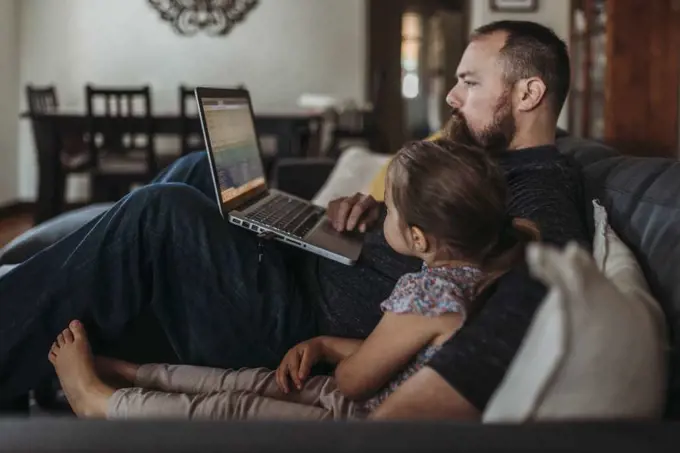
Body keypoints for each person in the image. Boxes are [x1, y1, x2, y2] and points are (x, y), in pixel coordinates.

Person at [0, 20, 588, 419]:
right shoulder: (489, 159)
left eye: (469, 82)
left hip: (295, 324)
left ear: (529, 91)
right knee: (194, 171)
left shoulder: (543, 187)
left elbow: (515, 285)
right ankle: (49, 292)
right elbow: (448, 232)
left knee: (162, 213)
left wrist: (411, 252)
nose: (453, 98)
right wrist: (373, 212)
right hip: (317, 265)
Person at [48, 140, 537, 420]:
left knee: (233, 406)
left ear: (417, 237)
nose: (381, 209)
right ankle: (133, 366)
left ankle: (103, 402)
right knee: (244, 384)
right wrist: (325, 342)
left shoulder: (423, 294)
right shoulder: (468, 277)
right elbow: (397, 351)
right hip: (344, 368)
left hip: (349, 410)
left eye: (390, 207)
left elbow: (355, 378)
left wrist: (330, 350)